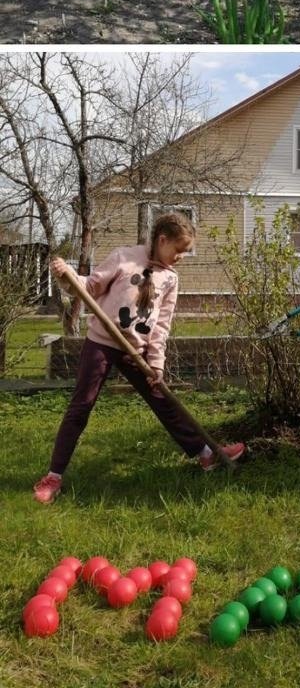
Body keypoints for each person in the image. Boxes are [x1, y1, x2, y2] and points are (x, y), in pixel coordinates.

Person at [32, 213, 244, 504]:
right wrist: (67, 275)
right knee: (81, 405)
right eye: (179, 250)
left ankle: (207, 455)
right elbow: (90, 286)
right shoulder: (124, 257)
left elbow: (162, 326)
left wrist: (156, 363)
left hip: (137, 350)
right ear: (162, 240)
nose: (181, 257)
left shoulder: (170, 278)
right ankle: (53, 477)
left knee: (163, 401)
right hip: (102, 343)